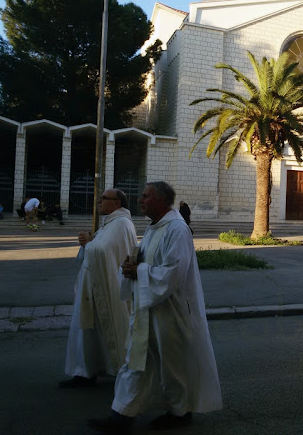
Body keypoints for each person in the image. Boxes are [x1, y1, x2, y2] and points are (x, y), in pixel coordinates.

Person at [88, 182, 222, 433]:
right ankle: (121, 415)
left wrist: (138, 271)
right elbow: (147, 259)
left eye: (146, 196)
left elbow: (173, 273)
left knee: (173, 366)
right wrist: (132, 267)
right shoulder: (155, 227)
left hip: (170, 312)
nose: (140, 200)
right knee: (135, 361)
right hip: (148, 307)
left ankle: (180, 411)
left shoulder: (177, 230)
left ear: (161, 200)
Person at [59, 188, 137, 389]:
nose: (99, 201)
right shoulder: (110, 223)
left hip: (106, 287)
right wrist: (90, 243)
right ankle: (85, 371)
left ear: (117, 203)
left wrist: (89, 243)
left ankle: (102, 371)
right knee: (87, 332)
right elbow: (101, 248)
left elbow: (105, 251)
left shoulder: (121, 224)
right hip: (92, 286)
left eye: (104, 198)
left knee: (101, 329)